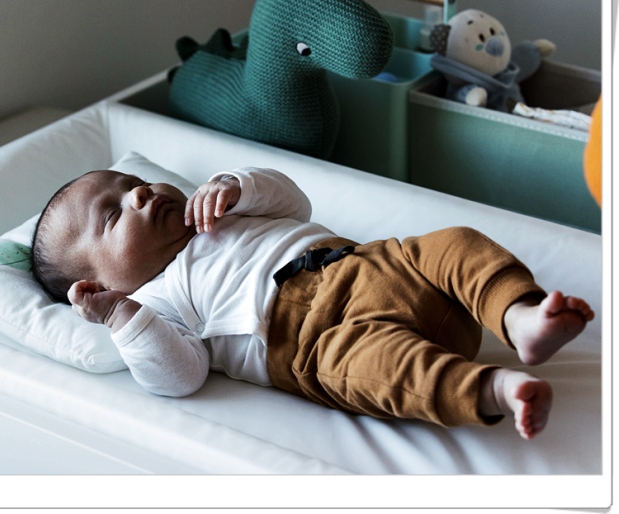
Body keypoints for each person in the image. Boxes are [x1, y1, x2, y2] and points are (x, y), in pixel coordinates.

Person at [31, 167, 594, 440]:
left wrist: (236, 185)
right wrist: (121, 317)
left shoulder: (215, 210)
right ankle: (490, 389)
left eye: (134, 181)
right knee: (374, 369)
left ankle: (519, 316)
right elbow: (180, 377)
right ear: (103, 283)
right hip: (317, 339)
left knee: (454, 243)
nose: (139, 193)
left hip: (376, 264)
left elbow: (294, 203)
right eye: (113, 214)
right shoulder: (155, 301)